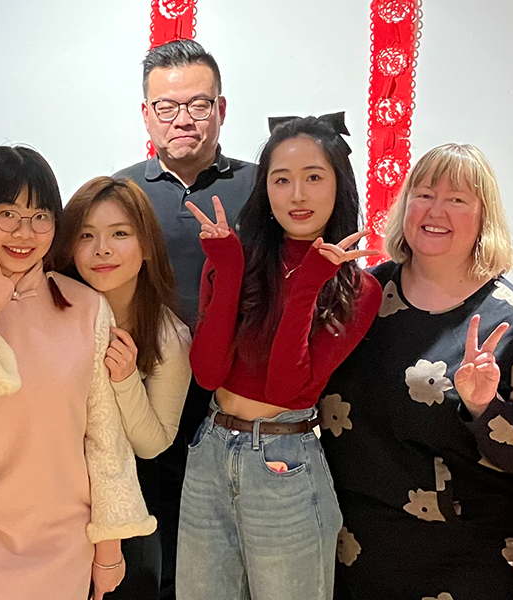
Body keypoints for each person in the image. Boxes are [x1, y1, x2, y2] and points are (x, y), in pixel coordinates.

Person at [0, 147, 156, 600]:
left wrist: (109, 551)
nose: (25, 232)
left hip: (63, 537)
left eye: (40, 215)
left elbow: (105, 442)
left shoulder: (86, 308)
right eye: (7, 214)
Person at [320, 143, 513, 599]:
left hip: (473, 553)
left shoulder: (511, 322)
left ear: (483, 217)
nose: (436, 210)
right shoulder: (363, 297)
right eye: (424, 193)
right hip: (360, 546)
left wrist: (483, 406)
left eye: (458, 199)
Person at [177, 113, 382, 600]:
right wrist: (226, 271)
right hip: (209, 449)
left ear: (339, 184)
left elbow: (286, 391)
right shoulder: (238, 257)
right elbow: (208, 374)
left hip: (284, 458)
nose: (298, 195)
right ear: (264, 188)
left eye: (314, 177)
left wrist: (310, 282)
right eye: (282, 179)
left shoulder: (359, 287)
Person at [112, 38, 256, 599]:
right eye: (167, 107)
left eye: (199, 105)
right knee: (146, 551)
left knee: (229, 561)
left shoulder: (261, 187)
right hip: (143, 394)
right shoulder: (122, 193)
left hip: (237, 402)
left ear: (221, 110)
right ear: (146, 114)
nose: (183, 120)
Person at [48, 177, 193, 460]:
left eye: (120, 234)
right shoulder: (46, 302)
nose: (102, 249)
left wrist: (126, 380)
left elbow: (154, 444)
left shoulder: (169, 337)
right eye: (86, 236)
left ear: (148, 246)